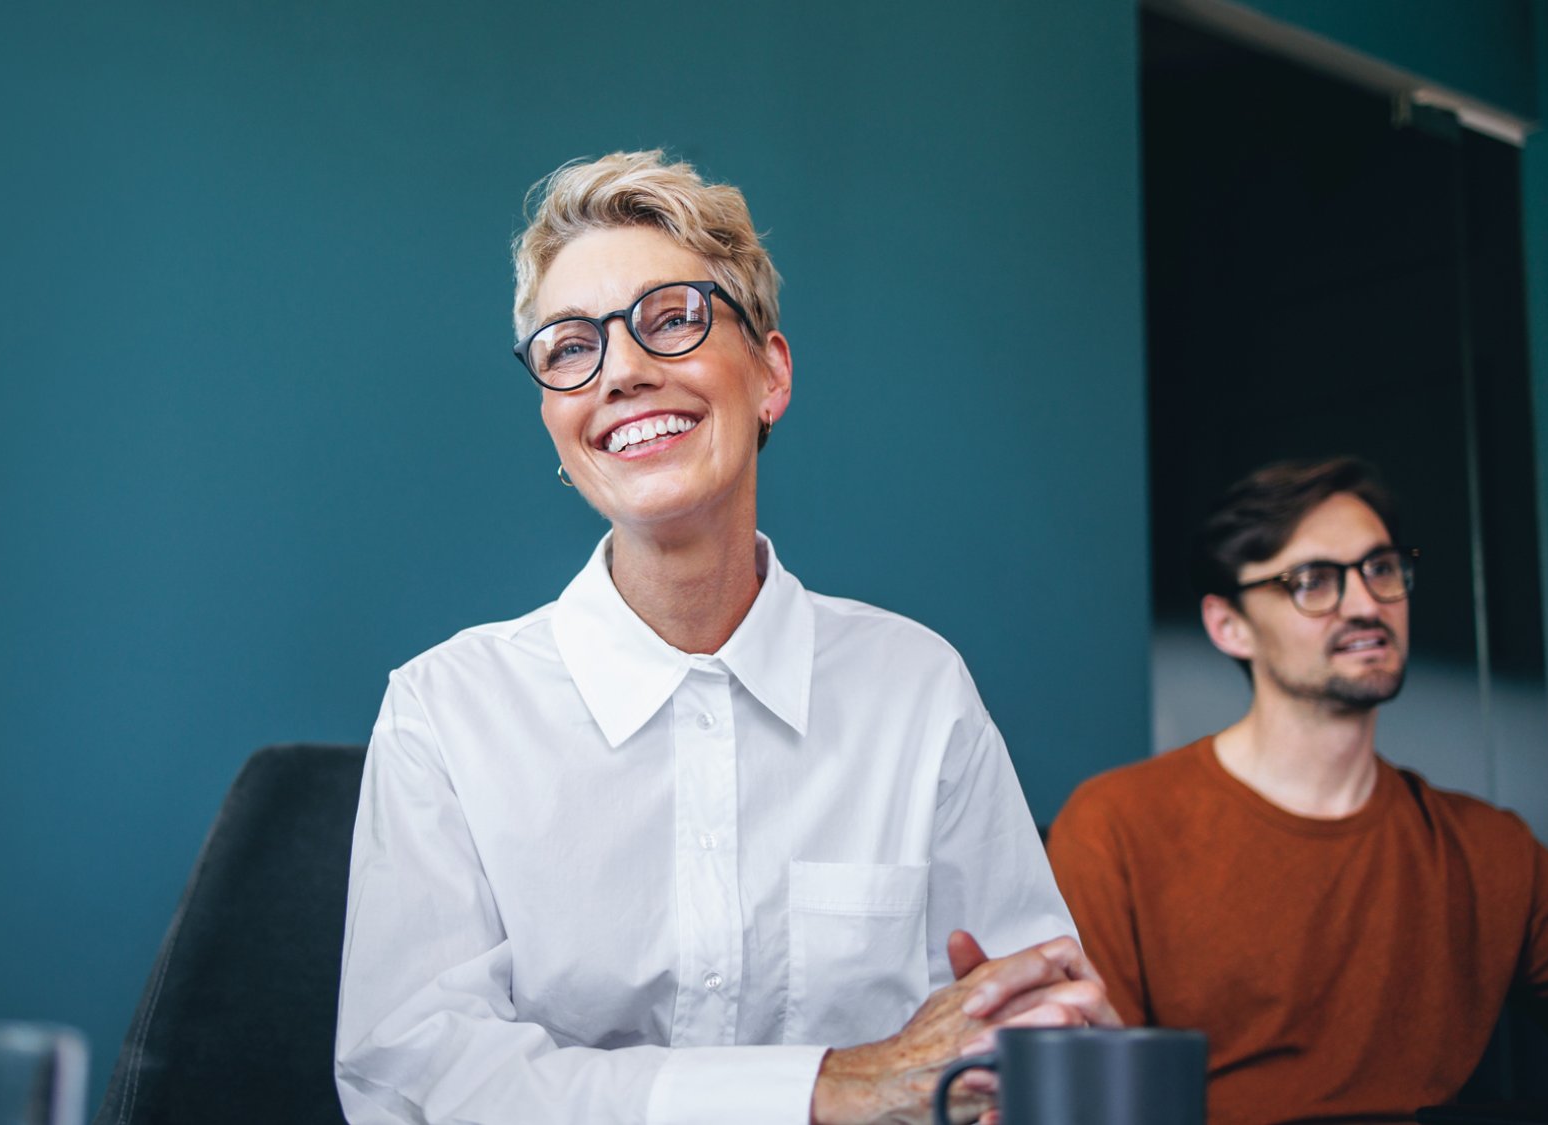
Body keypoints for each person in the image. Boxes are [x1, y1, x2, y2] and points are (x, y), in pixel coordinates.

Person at [334, 150, 1118, 1125]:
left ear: (769, 376)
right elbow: (418, 1079)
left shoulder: (917, 689)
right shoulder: (443, 713)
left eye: (672, 320)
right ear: (551, 416)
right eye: (569, 346)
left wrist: (1035, 1044)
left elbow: (1025, 1024)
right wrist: (826, 1088)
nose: (620, 370)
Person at [1047, 456, 1548, 1124]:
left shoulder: (1487, 847)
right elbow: (1094, 1097)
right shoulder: (1116, 825)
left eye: (1382, 568)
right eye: (1313, 580)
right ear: (1229, 625)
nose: (1367, 603)